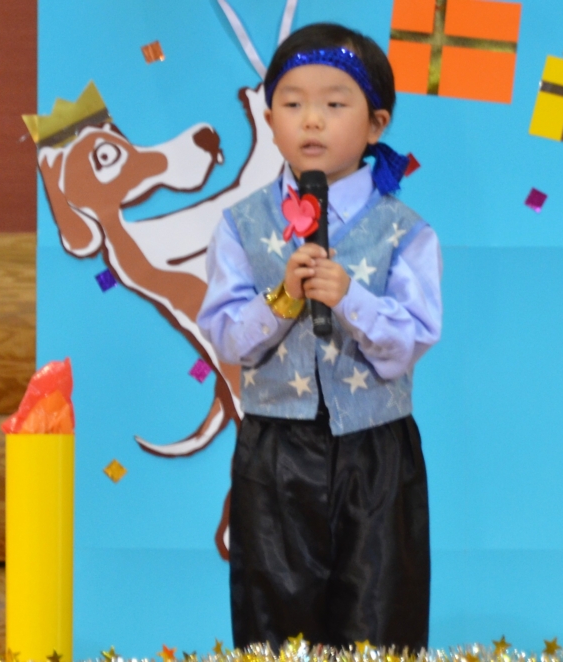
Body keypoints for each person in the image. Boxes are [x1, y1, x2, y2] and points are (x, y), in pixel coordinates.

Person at [197, 23, 442, 650]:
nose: (312, 120)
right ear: (269, 119)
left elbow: (411, 339)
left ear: (376, 124)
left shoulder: (405, 230)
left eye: (334, 103)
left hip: (375, 451)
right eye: (292, 103)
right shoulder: (240, 223)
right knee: (276, 620)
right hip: (275, 450)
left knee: (381, 617)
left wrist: (349, 297)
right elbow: (228, 338)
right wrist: (283, 299)